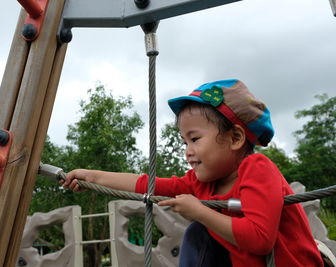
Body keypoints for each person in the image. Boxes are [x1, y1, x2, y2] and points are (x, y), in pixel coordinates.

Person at [62, 79, 323, 266]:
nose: (187, 150)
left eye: (195, 139)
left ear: (235, 138)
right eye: (184, 142)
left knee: (200, 226)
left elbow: (259, 239)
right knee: (199, 232)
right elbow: (147, 185)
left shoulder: (257, 169)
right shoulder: (202, 185)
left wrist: (200, 211)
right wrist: (93, 177)